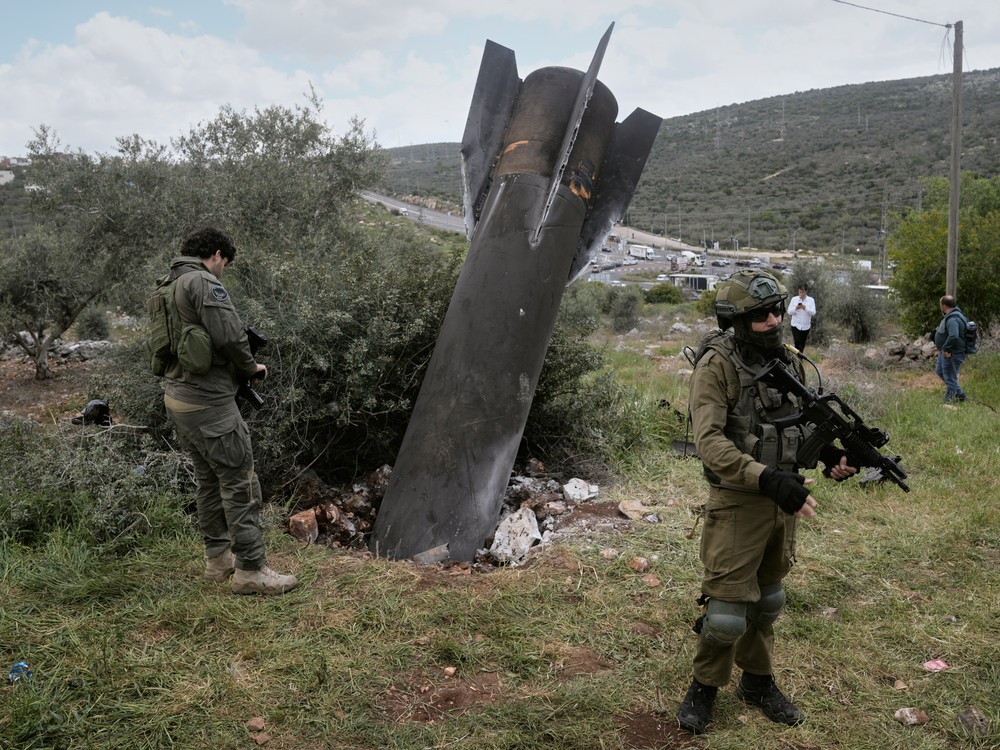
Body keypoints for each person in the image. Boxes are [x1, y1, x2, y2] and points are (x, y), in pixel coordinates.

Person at [676, 269, 857, 735]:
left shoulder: (789, 360)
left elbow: (792, 426)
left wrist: (829, 456)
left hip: (782, 498)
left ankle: (757, 682)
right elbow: (710, 443)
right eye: (761, 315)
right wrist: (766, 478)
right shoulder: (716, 365)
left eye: (777, 310)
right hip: (738, 500)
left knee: (769, 599)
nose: (774, 319)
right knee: (725, 614)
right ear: (737, 320)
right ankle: (704, 687)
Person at [162, 227, 298, 595]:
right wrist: (250, 367)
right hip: (209, 402)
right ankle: (251, 571)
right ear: (217, 254)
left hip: (179, 398)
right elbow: (229, 335)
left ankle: (218, 559)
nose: (223, 270)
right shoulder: (203, 282)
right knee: (240, 482)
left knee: (209, 480)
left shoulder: (169, 282)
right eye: (225, 263)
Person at [933, 294, 968, 403]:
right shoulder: (954, 315)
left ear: (944, 306)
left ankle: (948, 402)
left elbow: (954, 335)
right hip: (946, 352)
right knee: (940, 371)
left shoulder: (953, 318)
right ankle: (960, 395)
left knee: (950, 378)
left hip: (951, 353)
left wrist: (945, 348)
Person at [788, 284, 816, 352]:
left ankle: (799, 359)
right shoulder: (794, 299)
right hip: (795, 325)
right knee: (797, 342)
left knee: (802, 344)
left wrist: (805, 308)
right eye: (800, 292)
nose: (801, 294)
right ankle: (796, 359)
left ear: (806, 292)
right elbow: (789, 312)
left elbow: (813, 313)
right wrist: (796, 308)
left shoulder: (811, 300)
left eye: (803, 292)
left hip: (806, 326)